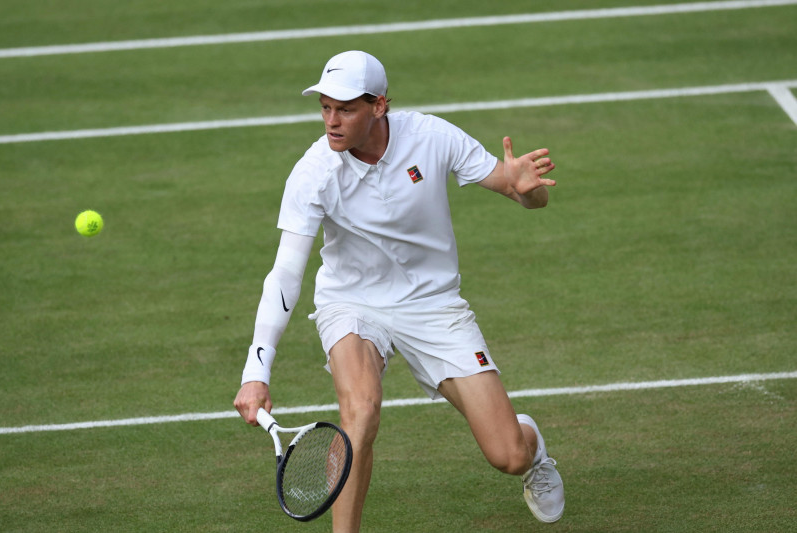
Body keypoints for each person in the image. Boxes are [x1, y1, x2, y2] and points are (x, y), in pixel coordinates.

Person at [233, 50, 564, 531]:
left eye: (345, 109)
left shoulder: (432, 137)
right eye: (325, 108)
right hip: (352, 303)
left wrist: (527, 188)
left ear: (379, 106)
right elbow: (285, 274)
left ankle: (532, 448)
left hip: (432, 305)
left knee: (508, 454)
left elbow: (527, 194)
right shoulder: (313, 172)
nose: (332, 121)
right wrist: (255, 371)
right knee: (360, 413)